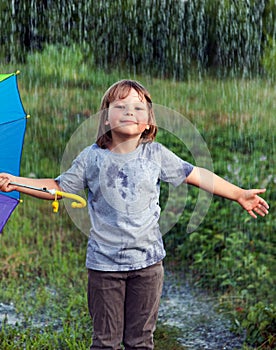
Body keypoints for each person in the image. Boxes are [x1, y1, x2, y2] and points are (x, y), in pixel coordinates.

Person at [0, 80, 269, 350]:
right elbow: (57, 187)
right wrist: (15, 181)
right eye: (121, 106)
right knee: (106, 342)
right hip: (104, 267)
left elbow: (195, 174)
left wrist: (237, 193)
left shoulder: (156, 155)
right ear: (105, 118)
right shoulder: (90, 158)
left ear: (149, 122)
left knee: (140, 341)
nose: (130, 111)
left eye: (138, 107)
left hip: (148, 266)